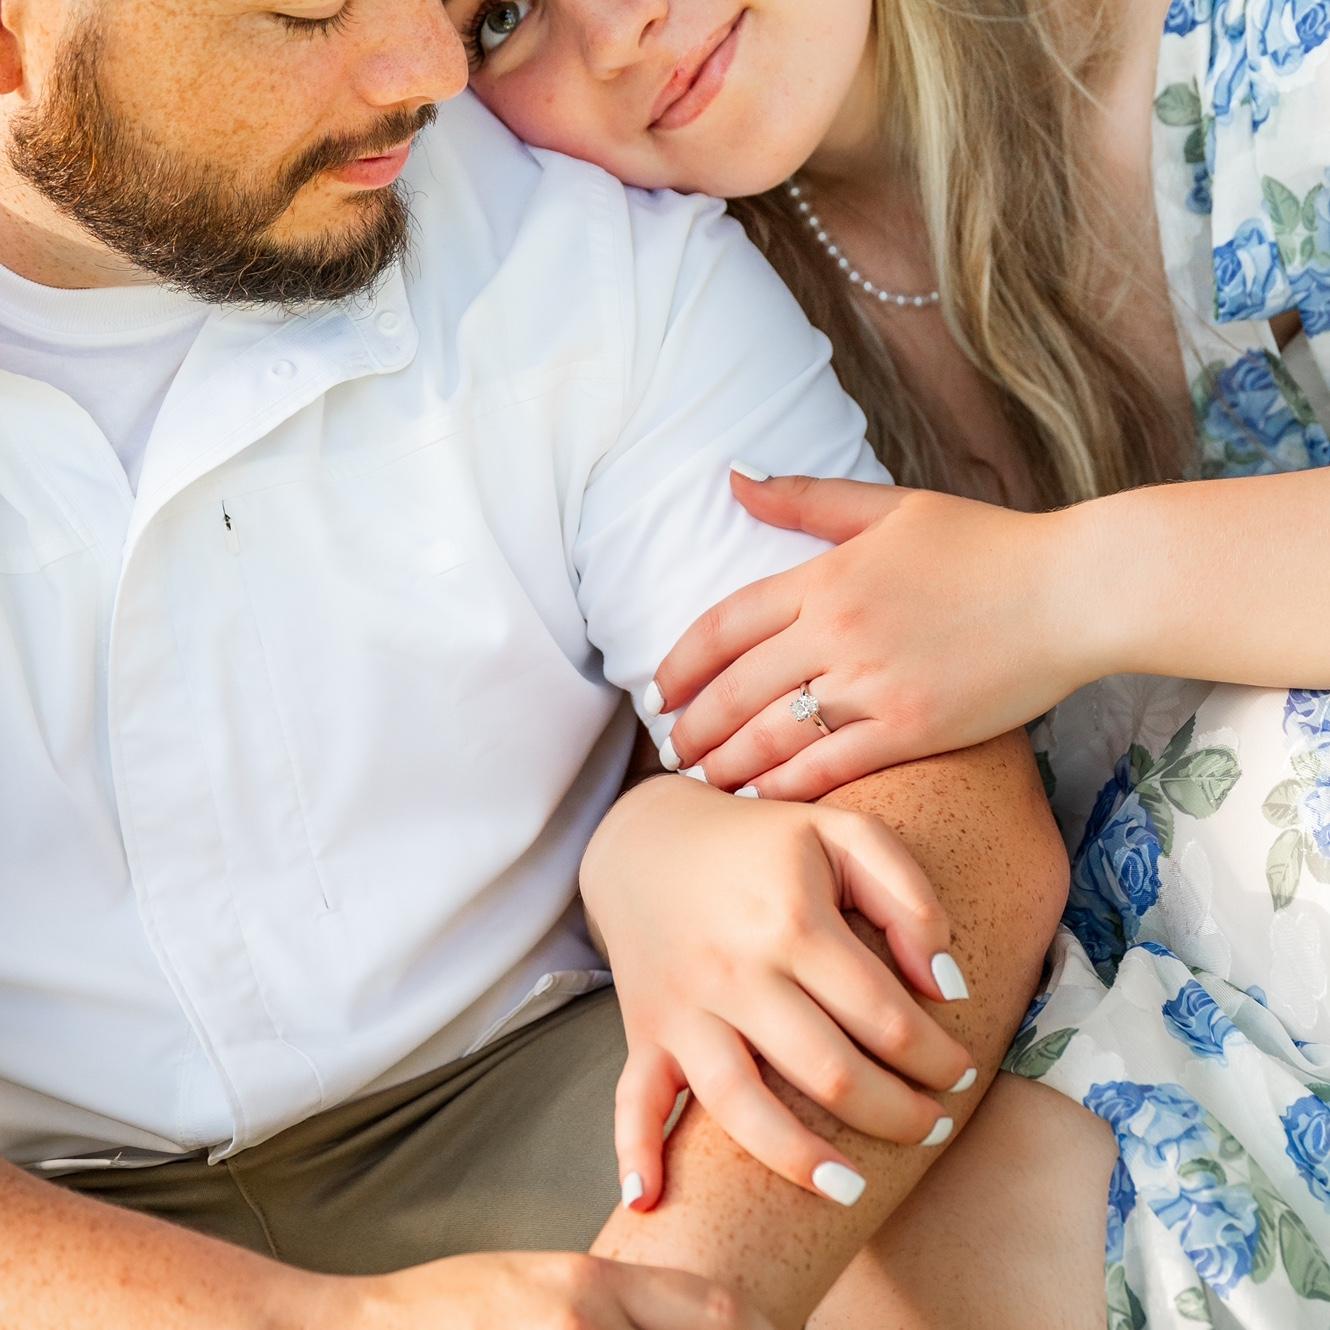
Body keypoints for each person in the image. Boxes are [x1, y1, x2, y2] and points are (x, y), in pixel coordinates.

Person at [0, 2, 1071, 1328]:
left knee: (1035, 1208)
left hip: (578, 1094)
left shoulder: (570, 242)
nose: (432, 69)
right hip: (43, 1227)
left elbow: (930, 798)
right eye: (308, 8)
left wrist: (672, 1295)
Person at [443, 0, 1330, 1323]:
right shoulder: (662, 323)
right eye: (506, 13)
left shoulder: (1264, 72)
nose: (621, 26)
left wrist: (1061, 591)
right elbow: (726, 754)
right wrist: (639, 848)